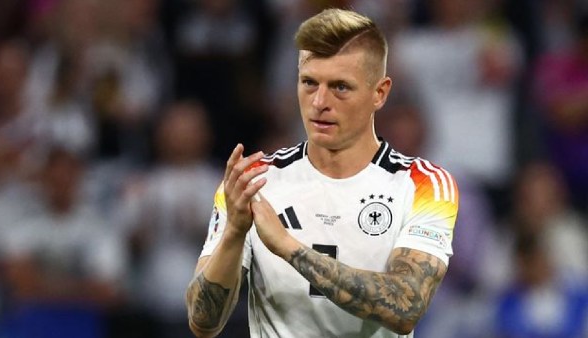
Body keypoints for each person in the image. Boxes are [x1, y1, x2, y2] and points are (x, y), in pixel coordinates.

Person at [185, 8, 459, 338]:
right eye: (309, 83)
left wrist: (289, 247)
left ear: (380, 93)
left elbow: (405, 306)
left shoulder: (423, 185)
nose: (319, 102)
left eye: (340, 87)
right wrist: (233, 233)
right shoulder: (255, 181)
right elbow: (203, 322)